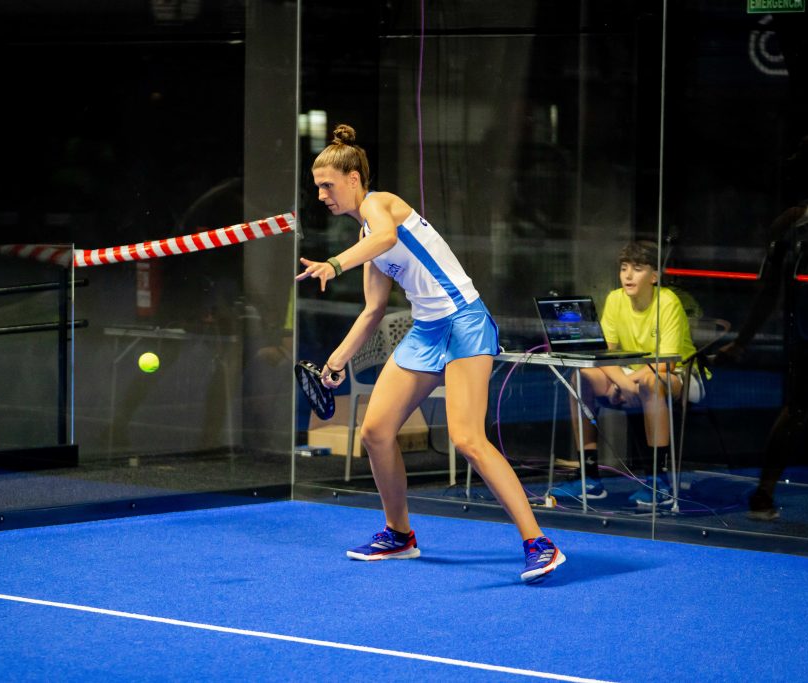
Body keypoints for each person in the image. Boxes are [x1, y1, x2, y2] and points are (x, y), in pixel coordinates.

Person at [296, 124, 565, 583]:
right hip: (426, 330)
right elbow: (373, 310)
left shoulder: (380, 204)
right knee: (375, 432)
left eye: (327, 185)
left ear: (354, 179)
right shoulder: (366, 234)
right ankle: (399, 534)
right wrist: (337, 360)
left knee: (467, 438)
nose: (321, 195)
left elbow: (385, 237)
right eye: (317, 186)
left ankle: (540, 543)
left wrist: (335, 263)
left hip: (465, 322)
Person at [718, 137, 808, 521]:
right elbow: (770, 290)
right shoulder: (791, 220)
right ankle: (763, 493)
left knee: (800, 406)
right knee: (798, 406)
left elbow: (769, 292)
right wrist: (742, 342)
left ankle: (764, 492)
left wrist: (742, 342)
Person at [553, 241, 703, 507]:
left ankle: (658, 482)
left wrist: (627, 383)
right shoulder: (615, 299)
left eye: (637, 269)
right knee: (580, 376)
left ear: (654, 276)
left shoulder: (668, 302)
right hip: (630, 374)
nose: (628, 275)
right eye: (624, 268)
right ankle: (589, 477)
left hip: (680, 373)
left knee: (650, 382)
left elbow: (666, 363)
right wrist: (622, 382)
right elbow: (604, 353)